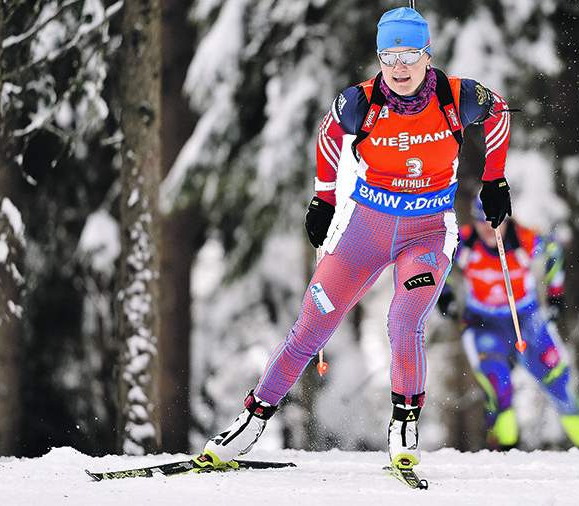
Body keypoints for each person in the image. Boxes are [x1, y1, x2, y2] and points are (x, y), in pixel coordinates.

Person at [197, 7, 513, 471]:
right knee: (311, 325)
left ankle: (404, 424)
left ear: (427, 54)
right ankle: (251, 420)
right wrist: (323, 199)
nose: (400, 67)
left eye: (409, 54)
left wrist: (494, 180)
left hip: (427, 233)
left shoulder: (456, 96)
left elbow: (500, 113)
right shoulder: (360, 102)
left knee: (404, 321)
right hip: (366, 230)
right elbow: (328, 136)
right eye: (389, 55)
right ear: (379, 57)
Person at [437, 200, 579, 450]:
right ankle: (507, 451)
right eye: (482, 222)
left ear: (505, 220)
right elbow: (437, 259)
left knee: (557, 380)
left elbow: (553, 252)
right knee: (498, 384)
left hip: (525, 318)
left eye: (495, 223)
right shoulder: (465, 242)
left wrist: (555, 295)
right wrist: (444, 295)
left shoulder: (523, 239)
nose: (489, 230)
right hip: (484, 322)